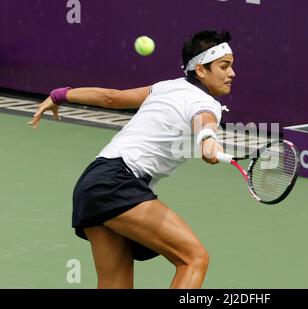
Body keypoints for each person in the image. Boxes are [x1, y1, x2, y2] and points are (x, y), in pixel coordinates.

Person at [28, 29, 236, 289]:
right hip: (119, 182)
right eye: (224, 66)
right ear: (201, 70)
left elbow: (111, 98)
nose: (231, 74)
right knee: (194, 259)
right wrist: (208, 142)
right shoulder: (206, 104)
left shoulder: (164, 88)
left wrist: (60, 94)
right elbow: (203, 123)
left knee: (114, 284)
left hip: (92, 183)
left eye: (231, 67)